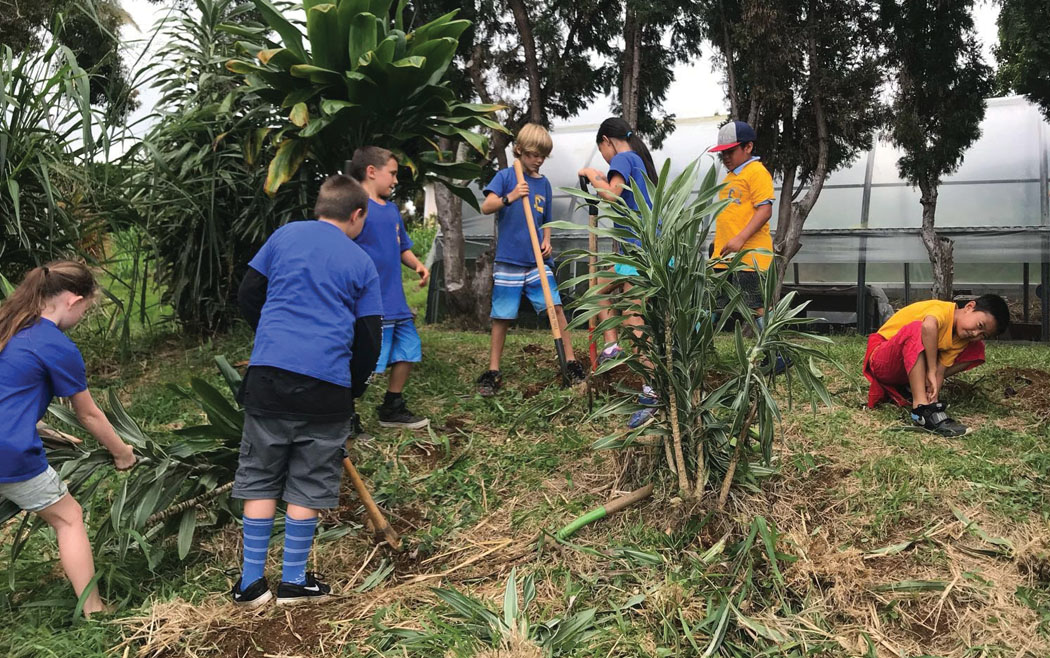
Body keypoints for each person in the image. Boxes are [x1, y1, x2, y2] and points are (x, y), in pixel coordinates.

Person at [231, 174, 384, 607]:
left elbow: (248, 293)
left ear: (321, 207)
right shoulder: (360, 262)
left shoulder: (284, 236)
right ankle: (294, 583)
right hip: (326, 389)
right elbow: (370, 337)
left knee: (259, 477)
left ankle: (250, 585)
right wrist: (351, 388)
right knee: (308, 482)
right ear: (357, 214)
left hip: (267, 380)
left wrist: (273, 336)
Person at [0, 261, 137, 618]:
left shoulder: (9, 327)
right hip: (9, 452)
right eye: (87, 309)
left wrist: (51, 434)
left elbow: (10, 399)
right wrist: (122, 453)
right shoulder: (55, 345)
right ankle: (94, 610)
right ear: (74, 301)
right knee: (69, 518)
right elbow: (88, 413)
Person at [475, 123, 587, 396]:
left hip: (537, 260)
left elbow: (545, 218)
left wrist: (547, 239)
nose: (538, 160)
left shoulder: (543, 183)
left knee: (556, 307)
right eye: (533, 155)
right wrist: (511, 196)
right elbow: (486, 205)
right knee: (502, 316)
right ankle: (492, 370)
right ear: (520, 151)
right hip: (509, 260)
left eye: (542, 156)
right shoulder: (505, 177)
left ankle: (570, 362)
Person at [577, 117, 658, 427]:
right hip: (642, 249)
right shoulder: (638, 161)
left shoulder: (624, 157)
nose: (605, 159)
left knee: (634, 320)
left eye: (602, 152)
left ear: (607, 142)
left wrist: (590, 175)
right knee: (598, 291)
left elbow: (611, 194)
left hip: (637, 251)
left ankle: (651, 394)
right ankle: (612, 347)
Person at [349, 146, 430, 431]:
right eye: (392, 173)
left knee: (409, 350)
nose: (395, 181)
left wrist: (418, 265)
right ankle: (344, 413)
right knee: (368, 363)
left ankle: (391, 406)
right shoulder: (355, 209)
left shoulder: (392, 210)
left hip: (396, 301)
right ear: (372, 171)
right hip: (370, 303)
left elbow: (401, 247)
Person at [863, 295, 1010, 436]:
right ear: (969, 307)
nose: (975, 333)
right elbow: (928, 326)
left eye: (983, 334)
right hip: (882, 360)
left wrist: (933, 397)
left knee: (976, 349)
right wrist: (931, 370)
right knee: (917, 328)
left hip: (907, 367)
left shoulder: (961, 338)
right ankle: (920, 409)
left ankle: (920, 392)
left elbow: (940, 371)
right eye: (979, 325)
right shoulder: (942, 310)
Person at [707, 120, 775, 324]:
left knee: (757, 305)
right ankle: (692, 350)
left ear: (748, 147)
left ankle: (775, 354)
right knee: (711, 302)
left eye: (731, 151)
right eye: (723, 153)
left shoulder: (756, 172)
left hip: (749, 257)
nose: (726, 157)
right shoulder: (730, 176)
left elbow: (765, 210)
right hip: (723, 255)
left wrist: (740, 238)